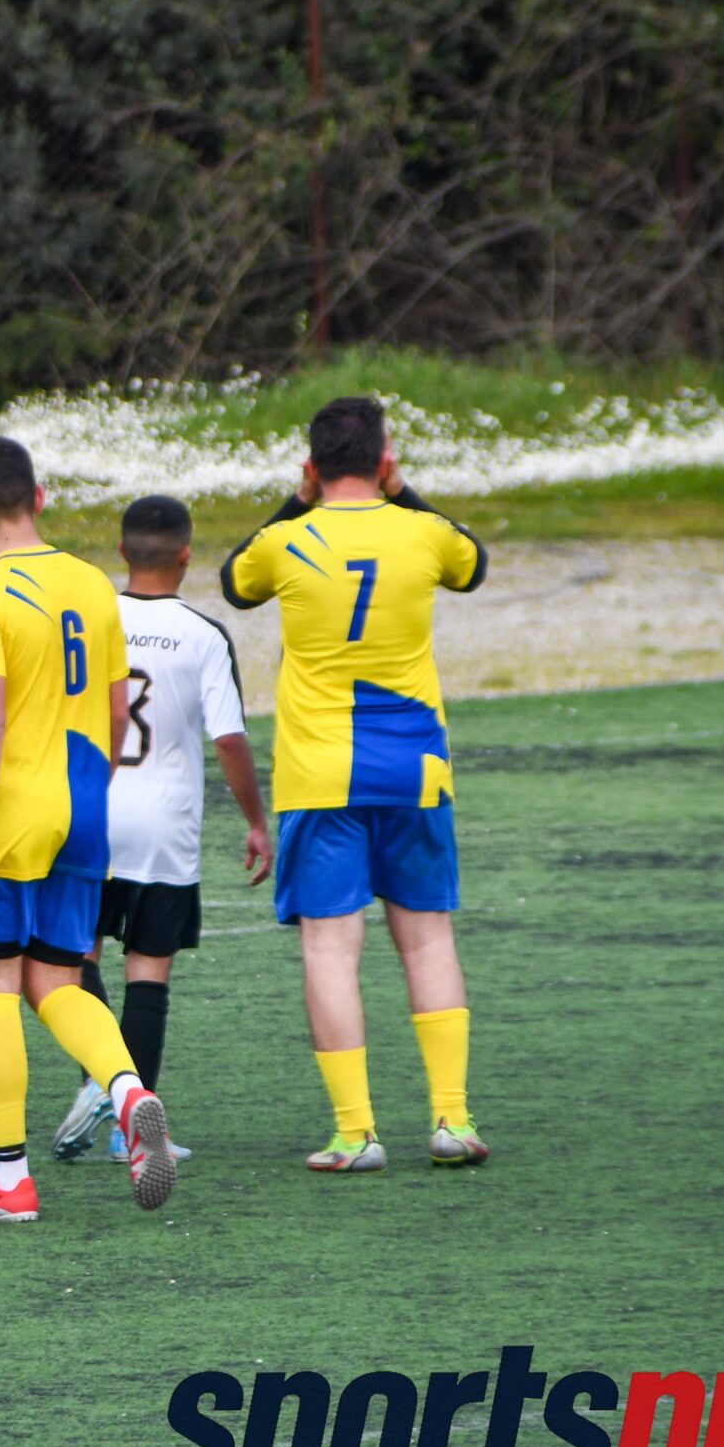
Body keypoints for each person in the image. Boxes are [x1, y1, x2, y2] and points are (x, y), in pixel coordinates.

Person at [219, 395, 490, 1173]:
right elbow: (474, 564)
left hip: (320, 774)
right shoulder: (423, 532)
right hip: (414, 769)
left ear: (311, 466)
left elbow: (234, 581)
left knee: (331, 950)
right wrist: (402, 493)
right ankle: (452, 1120)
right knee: (429, 939)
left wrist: (296, 499)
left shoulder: (287, 541)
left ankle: (355, 1133)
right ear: (384, 460)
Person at [0, 438, 177, 1223]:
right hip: (83, 802)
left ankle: (9, 1177)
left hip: (11, 808)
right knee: (56, 981)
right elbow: (116, 711)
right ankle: (129, 1090)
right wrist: (87, 800)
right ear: (39, 497)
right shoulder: (90, 583)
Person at [49, 496, 269, 1165]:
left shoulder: (89, 621)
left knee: (78, 959)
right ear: (186, 556)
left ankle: (101, 1085)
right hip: (164, 825)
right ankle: (130, 1128)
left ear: (122, 552)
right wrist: (256, 821)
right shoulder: (203, 634)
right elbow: (228, 739)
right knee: (148, 971)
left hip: (89, 811)